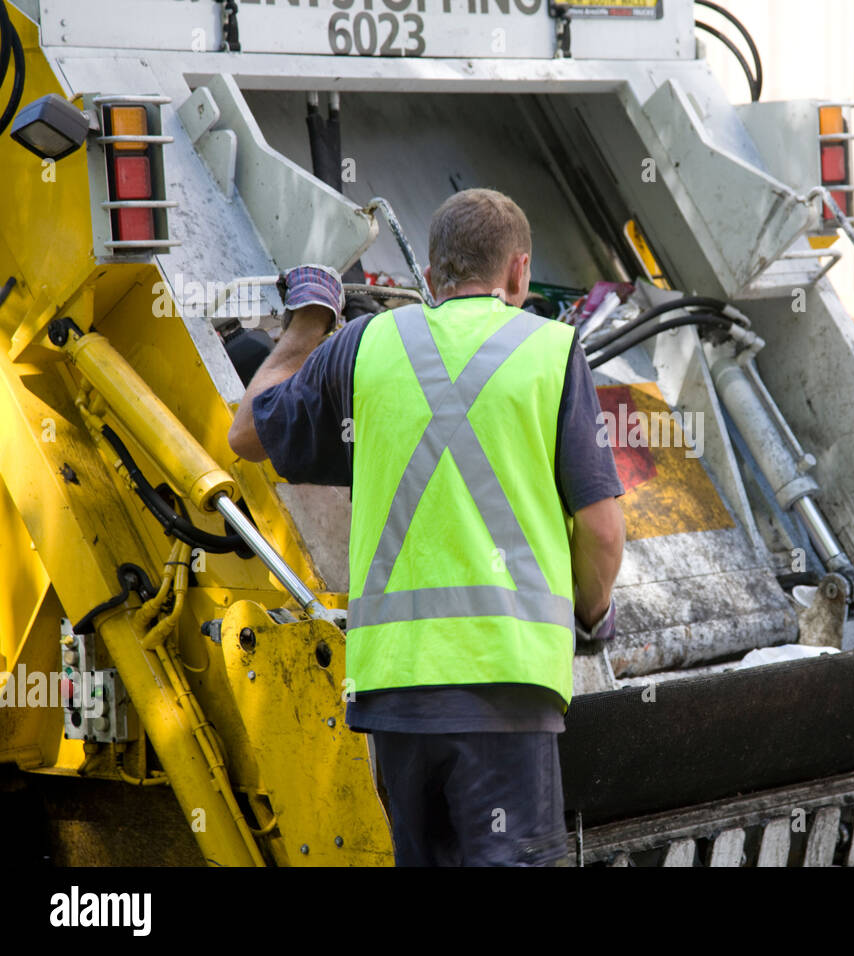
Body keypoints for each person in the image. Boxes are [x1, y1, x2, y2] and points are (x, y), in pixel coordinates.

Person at [227, 188, 625, 865]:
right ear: (520, 272)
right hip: (507, 691)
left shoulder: (365, 345)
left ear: (431, 279)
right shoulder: (553, 352)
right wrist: (591, 616)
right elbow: (604, 532)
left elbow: (247, 431)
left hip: (397, 700)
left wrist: (310, 320)